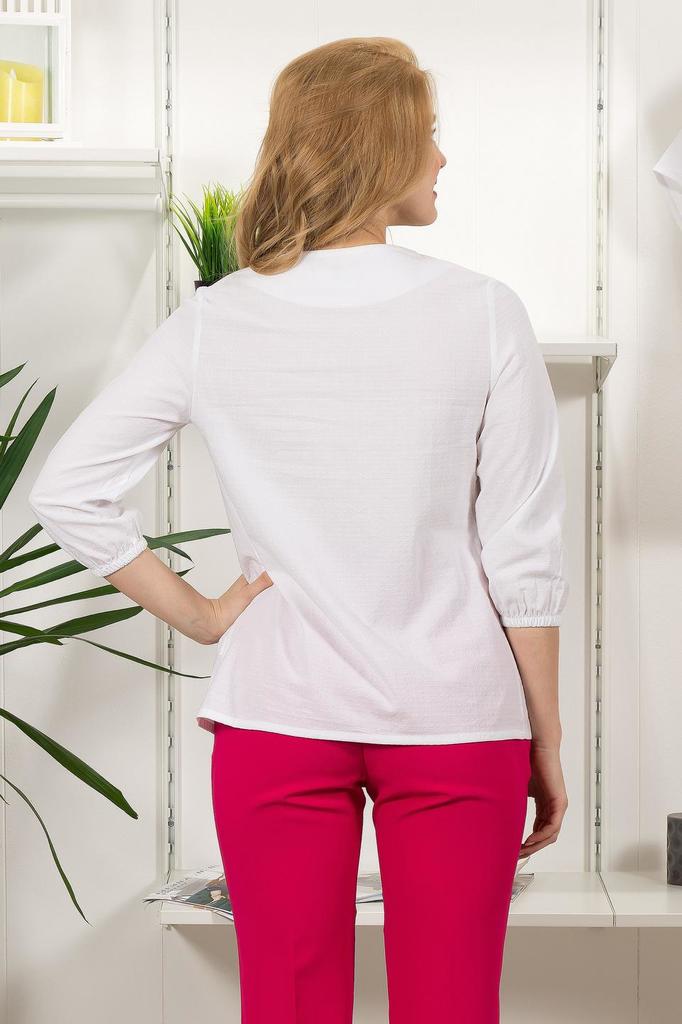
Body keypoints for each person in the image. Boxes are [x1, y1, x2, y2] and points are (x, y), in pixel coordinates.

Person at [28, 35, 569, 1024]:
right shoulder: (484, 312)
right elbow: (521, 552)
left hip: (276, 713)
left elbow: (69, 489)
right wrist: (544, 736)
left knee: (286, 1003)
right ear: (378, 146)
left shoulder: (217, 319)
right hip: (456, 718)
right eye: (428, 135)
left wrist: (202, 617)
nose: (442, 157)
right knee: (452, 1006)